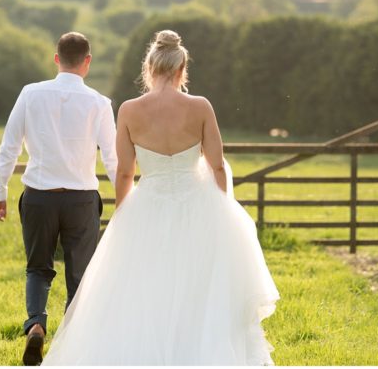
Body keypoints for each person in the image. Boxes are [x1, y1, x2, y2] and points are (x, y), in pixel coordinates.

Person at [41, 30, 280, 365]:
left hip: (147, 202)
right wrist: (221, 208)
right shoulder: (200, 107)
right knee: (200, 288)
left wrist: (123, 214)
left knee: (143, 288)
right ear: (181, 69)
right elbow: (217, 166)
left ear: (149, 69)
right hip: (198, 203)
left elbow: (125, 172)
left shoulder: (128, 109)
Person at [0, 31, 118, 366]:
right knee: (80, 275)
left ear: (56, 58)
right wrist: (126, 197)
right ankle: (71, 346)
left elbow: (9, 146)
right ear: (87, 62)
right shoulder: (100, 103)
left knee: (38, 268)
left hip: (39, 197)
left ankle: (36, 324)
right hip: (81, 200)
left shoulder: (30, 94)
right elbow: (113, 157)